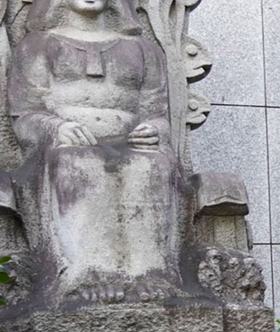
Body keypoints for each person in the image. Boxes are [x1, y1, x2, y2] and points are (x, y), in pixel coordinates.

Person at [9, 0, 185, 304]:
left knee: (154, 166)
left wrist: (155, 129)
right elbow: (24, 115)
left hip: (132, 146)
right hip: (65, 149)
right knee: (77, 164)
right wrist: (55, 128)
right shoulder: (36, 46)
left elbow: (157, 112)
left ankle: (150, 275)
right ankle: (87, 275)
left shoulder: (144, 49)